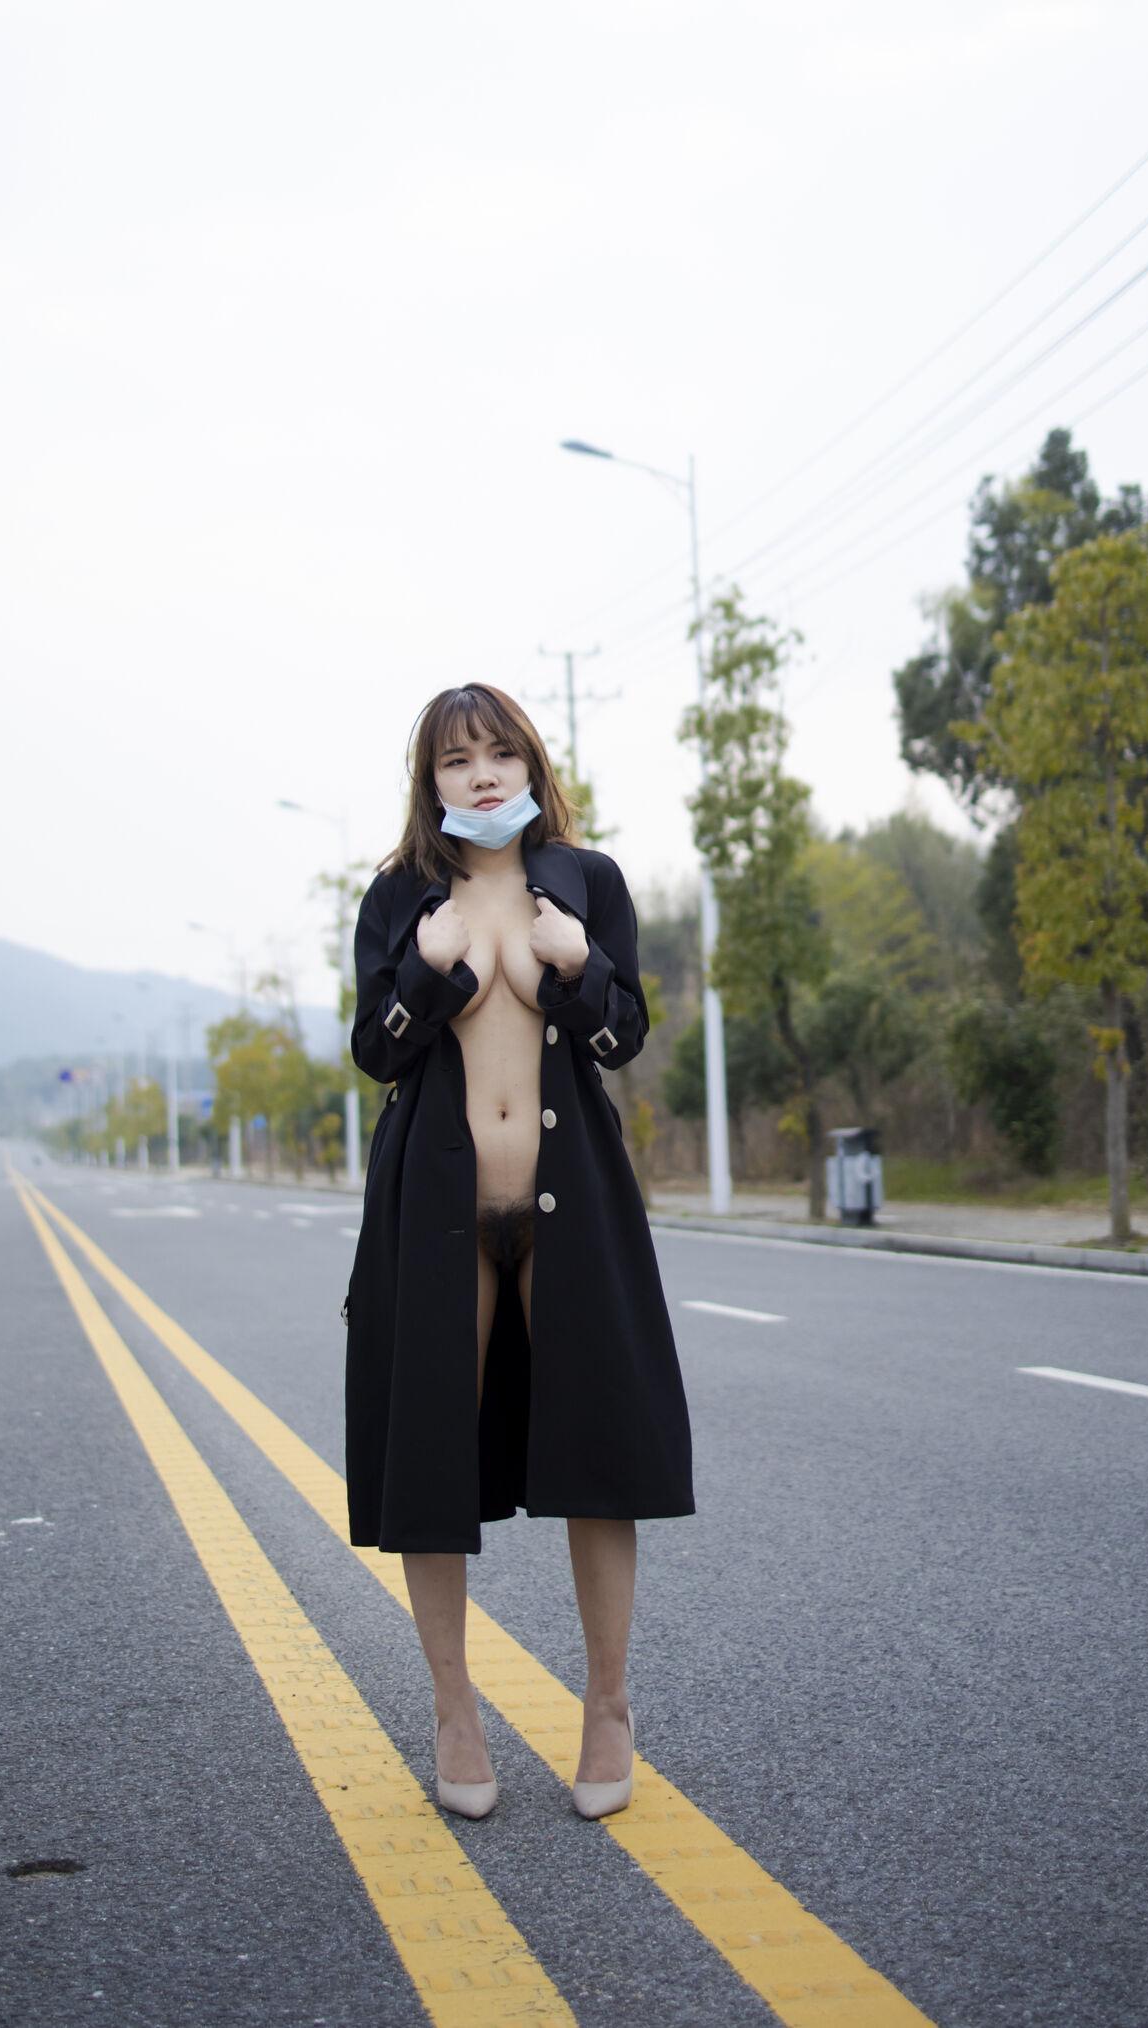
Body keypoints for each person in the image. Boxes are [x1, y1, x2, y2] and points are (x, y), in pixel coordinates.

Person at [342, 682, 694, 1824]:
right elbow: (376, 1053)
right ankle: (454, 1712)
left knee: (601, 1450)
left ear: (531, 764)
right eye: (457, 760)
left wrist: (580, 964)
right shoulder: (400, 897)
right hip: (436, 1211)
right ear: (431, 781)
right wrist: (427, 971)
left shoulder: (588, 882)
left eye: (498, 752)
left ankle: (609, 1706)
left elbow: (620, 1038)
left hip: (571, 1204)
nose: (481, 774)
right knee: (428, 1458)